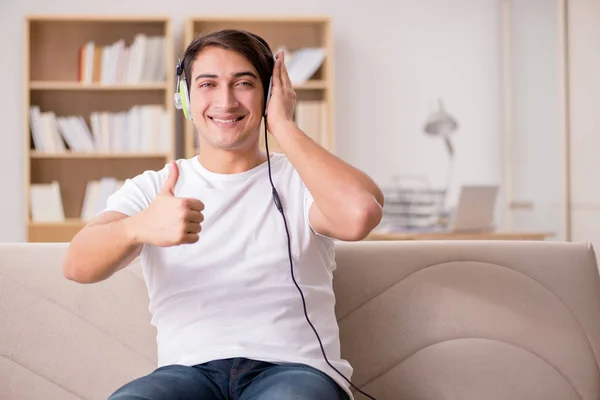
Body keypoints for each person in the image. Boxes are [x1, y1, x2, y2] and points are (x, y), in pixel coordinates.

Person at [63, 29, 384, 400]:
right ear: (184, 97)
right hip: (187, 374)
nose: (225, 100)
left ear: (268, 95)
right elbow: (76, 265)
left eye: (244, 83)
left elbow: (360, 214)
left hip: (293, 372)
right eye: (208, 84)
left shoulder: (305, 179)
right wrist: (138, 228)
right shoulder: (154, 188)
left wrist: (282, 126)